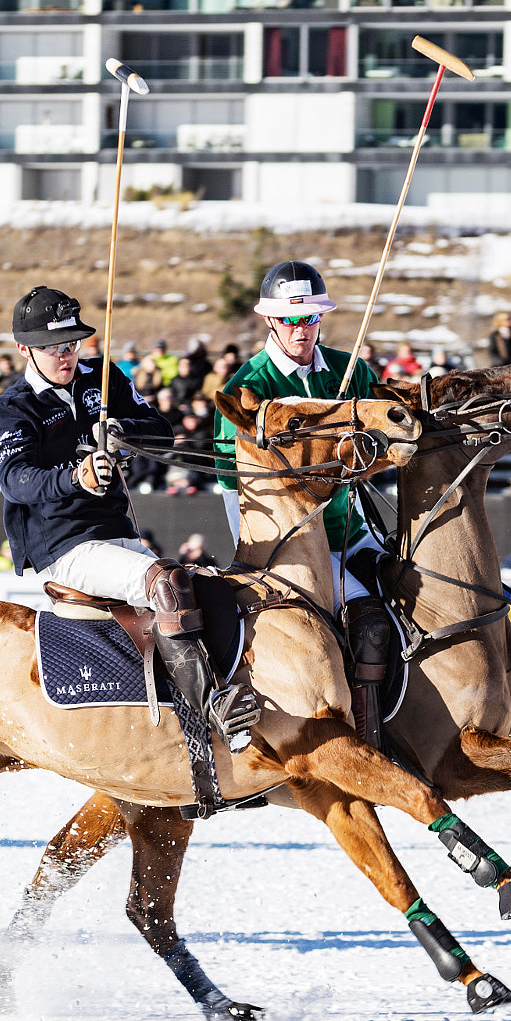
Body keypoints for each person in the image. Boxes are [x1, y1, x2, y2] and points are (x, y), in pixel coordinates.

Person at [0, 285, 257, 750]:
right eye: (52, 348)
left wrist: (120, 429)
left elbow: (161, 432)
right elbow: (17, 480)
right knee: (165, 584)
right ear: (24, 350)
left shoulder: (104, 378)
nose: (65, 355)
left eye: (71, 344)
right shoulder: (10, 410)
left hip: (117, 532)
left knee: (206, 588)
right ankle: (212, 708)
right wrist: (76, 477)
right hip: (63, 544)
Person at [210, 261, 396, 746]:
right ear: (270, 320)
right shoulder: (246, 388)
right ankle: (368, 745)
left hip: (357, 533)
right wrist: (255, 561)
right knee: (370, 624)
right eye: (291, 319)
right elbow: (235, 487)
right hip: (295, 551)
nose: (302, 329)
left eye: (310, 318)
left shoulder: (351, 370)